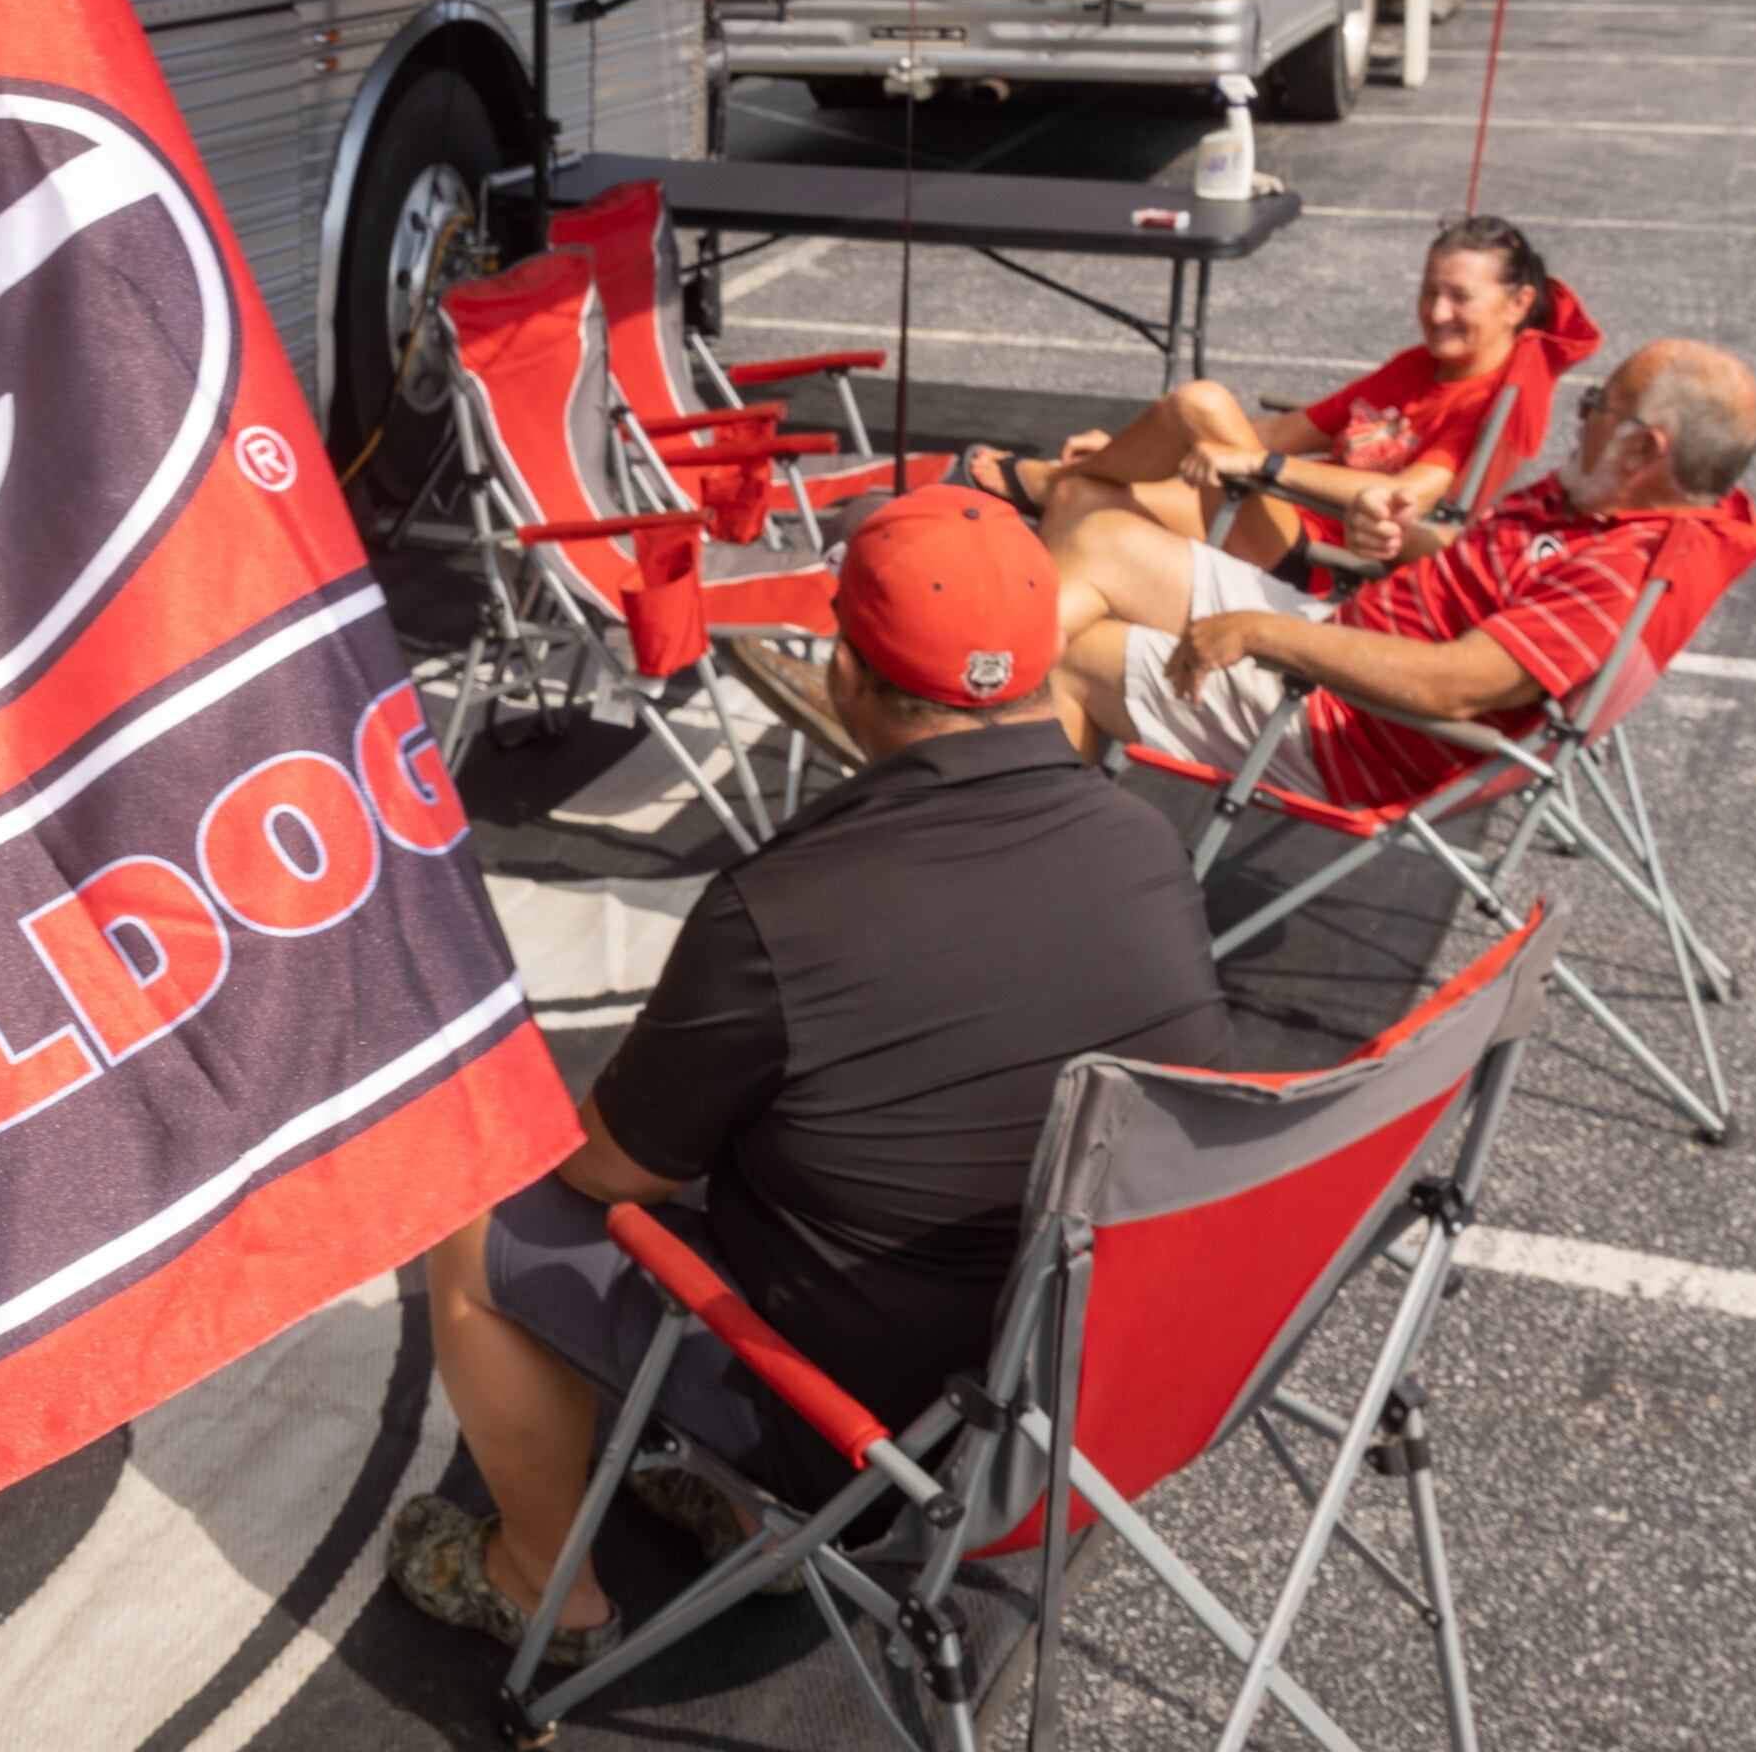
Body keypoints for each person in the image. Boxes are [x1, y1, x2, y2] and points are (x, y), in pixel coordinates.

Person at [388, 490, 1233, 1670]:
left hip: (861, 1429)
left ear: (846, 670)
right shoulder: (1146, 842)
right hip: (1080, 1388)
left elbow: (612, 1167)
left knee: (482, 1221)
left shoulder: (780, 906)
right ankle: (735, 1506)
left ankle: (547, 1590)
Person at [1046, 339, 1756, 810]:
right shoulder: (1595, 502)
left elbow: (1451, 685)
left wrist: (1261, 633)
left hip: (1347, 728)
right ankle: (995, 755)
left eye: (1596, 407)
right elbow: (1478, 566)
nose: (1579, 417)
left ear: (1643, 449)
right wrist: (1401, 541)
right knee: (1100, 538)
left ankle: (1018, 856)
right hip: (1334, 643)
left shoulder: (1622, 570)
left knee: (1071, 660)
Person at [961, 216, 1599, 576]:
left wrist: (1259, 468)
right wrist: (1136, 451)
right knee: (1084, 493)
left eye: (1459, 297)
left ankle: (1045, 484)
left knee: (1201, 403)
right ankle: (1035, 653)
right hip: (1277, 509)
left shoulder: (1498, 403)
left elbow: (1406, 496)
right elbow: (1284, 432)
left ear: (1518, 304)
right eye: (1430, 290)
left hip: (1329, 557)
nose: (1435, 312)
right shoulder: (1418, 366)